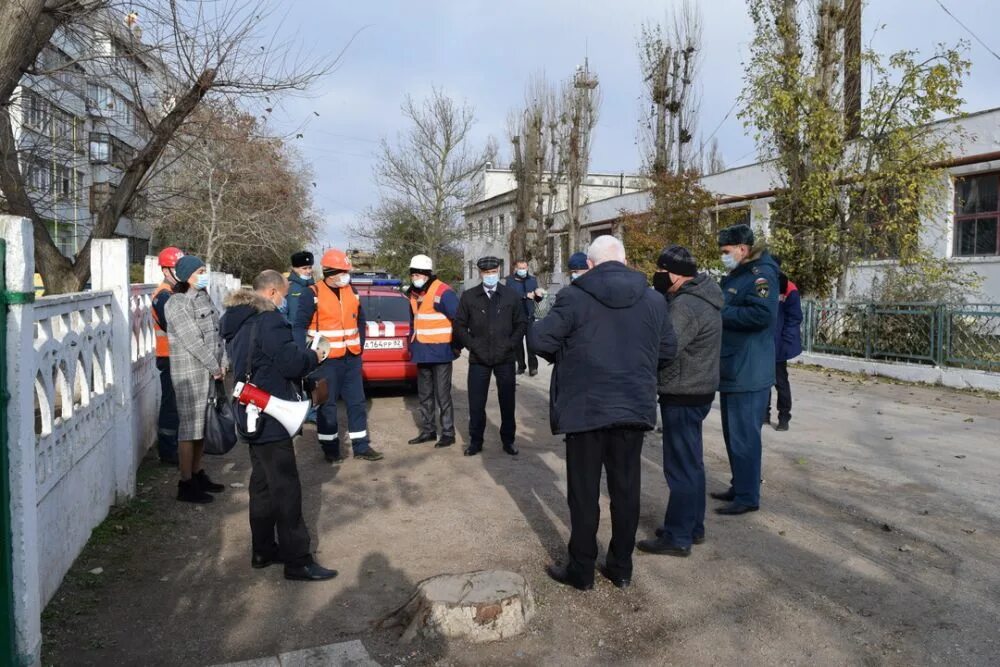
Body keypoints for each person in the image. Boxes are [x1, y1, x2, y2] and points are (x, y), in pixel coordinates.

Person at [528, 235, 677, 590]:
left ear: (590, 265)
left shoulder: (573, 296)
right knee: (626, 490)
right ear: (624, 261)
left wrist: (569, 358)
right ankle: (621, 567)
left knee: (584, 492)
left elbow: (539, 340)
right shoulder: (654, 299)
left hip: (585, 408)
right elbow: (669, 350)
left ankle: (582, 569)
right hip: (632, 407)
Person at [220, 270, 337, 582]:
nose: (284, 300)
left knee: (262, 484)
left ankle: (263, 550)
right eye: (283, 294)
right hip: (271, 413)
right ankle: (298, 560)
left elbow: (261, 362)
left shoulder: (238, 320)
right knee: (286, 488)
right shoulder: (268, 320)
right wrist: (316, 355)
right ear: (272, 293)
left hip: (250, 410)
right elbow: (290, 363)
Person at [636, 245, 723, 557]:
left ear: (673, 274)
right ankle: (692, 525)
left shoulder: (685, 306)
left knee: (680, 467)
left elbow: (666, 348)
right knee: (693, 464)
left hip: (683, 392)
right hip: (698, 390)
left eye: (660, 271)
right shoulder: (704, 296)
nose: (657, 276)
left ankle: (678, 536)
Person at [293, 248, 384, 462]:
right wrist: (305, 355)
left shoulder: (351, 291)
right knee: (327, 405)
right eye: (344, 271)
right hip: (325, 361)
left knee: (357, 403)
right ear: (331, 273)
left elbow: (360, 320)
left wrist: (359, 344)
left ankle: (361, 447)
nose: (347, 275)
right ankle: (331, 450)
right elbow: (298, 326)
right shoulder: (312, 293)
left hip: (351, 358)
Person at [713, 224, 779, 516]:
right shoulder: (738, 273)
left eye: (727, 252)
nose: (724, 257)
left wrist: (721, 312)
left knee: (745, 436)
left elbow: (762, 314)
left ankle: (748, 495)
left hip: (748, 369)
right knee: (732, 434)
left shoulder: (761, 275)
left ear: (742, 248)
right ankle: (740, 484)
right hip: (733, 366)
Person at [164, 255, 227, 504]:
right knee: (189, 429)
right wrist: (214, 366)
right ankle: (185, 482)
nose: (204, 275)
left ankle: (198, 473)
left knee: (202, 426)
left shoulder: (203, 297)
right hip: (190, 373)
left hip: (209, 372)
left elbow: (215, 334)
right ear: (187, 275)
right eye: (200, 271)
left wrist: (220, 364)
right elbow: (193, 341)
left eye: (205, 270)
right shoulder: (177, 303)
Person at [453, 256, 526, 457]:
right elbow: (459, 325)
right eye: (487, 273)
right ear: (480, 274)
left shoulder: (510, 296)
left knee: (507, 402)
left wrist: (510, 344)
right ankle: (475, 441)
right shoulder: (469, 297)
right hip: (479, 358)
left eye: (494, 272)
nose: (490, 276)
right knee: (476, 403)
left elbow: (521, 323)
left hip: (505, 357)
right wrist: (472, 345)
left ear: (499, 272)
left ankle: (508, 440)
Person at [405, 254, 460, 449]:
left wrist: (456, 345)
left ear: (428, 274)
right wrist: (411, 344)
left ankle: (447, 433)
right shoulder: (412, 293)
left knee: (443, 395)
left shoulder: (443, 292)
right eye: (413, 274)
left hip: (441, 351)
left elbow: (458, 320)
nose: (416, 277)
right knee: (425, 394)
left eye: (419, 273)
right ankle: (428, 430)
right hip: (422, 350)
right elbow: (414, 321)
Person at [151, 246, 184, 465]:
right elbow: (175, 326)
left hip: (176, 355)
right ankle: (168, 452)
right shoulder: (163, 296)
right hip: (168, 356)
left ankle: (174, 448)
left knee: (177, 404)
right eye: (176, 269)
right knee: (170, 405)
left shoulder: (173, 293)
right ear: (165, 271)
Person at [767, 263, 803, 431]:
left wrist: (785, 342)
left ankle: (784, 417)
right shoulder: (763, 285)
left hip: (780, 344)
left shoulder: (790, 290)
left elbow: (794, 319)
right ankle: (763, 414)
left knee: (780, 382)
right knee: (762, 381)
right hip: (764, 343)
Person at [506, 260, 543, 376]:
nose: (522, 270)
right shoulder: (510, 280)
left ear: (527, 268)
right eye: (520, 268)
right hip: (516, 317)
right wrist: (524, 295)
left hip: (529, 315)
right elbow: (509, 296)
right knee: (518, 344)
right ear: (516, 268)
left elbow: (536, 298)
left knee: (531, 343)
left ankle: (533, 367)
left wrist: (538, 296)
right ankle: (521, 366)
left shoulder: (532, 280)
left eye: (524, 268)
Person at [285, 250, 314, 326]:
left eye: (310, 267)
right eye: (304, 268)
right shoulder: (287, 287)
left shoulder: (314, 287)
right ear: (294, 268)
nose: (308, 271)